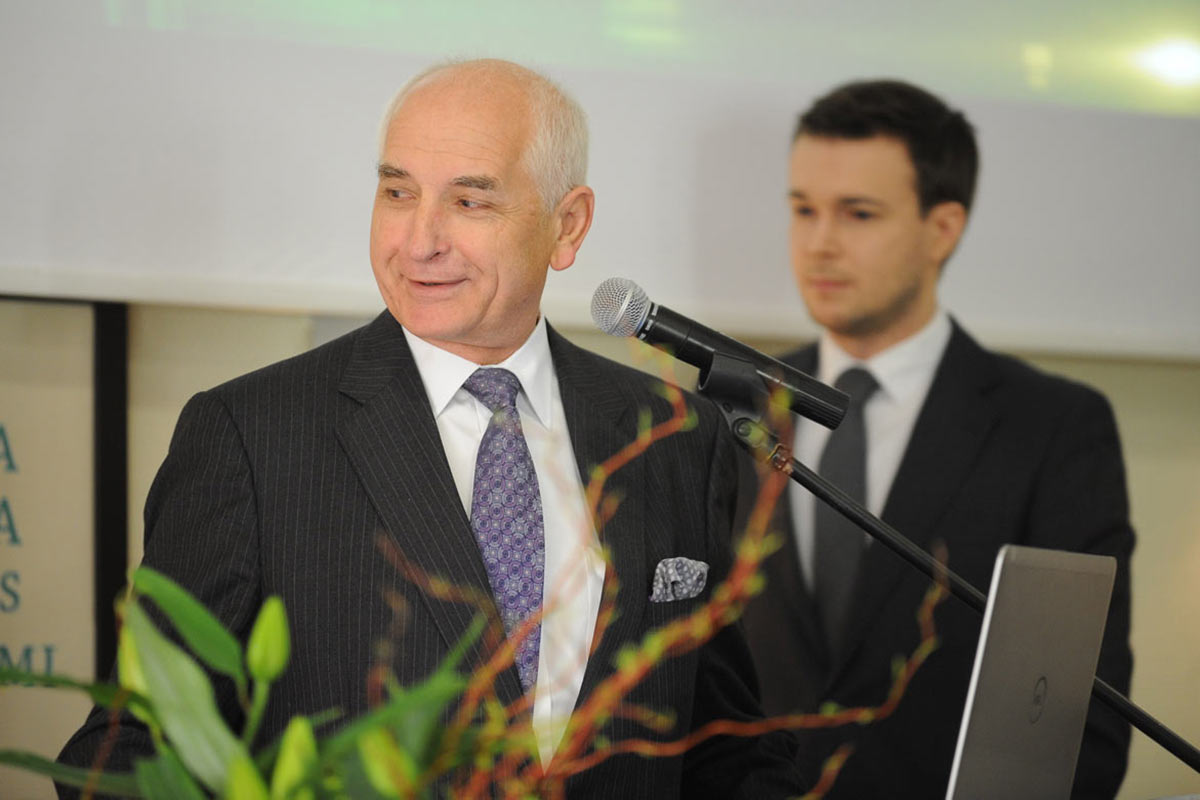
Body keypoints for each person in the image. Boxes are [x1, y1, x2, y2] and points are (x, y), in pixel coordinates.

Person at [58, 59, 801, 798]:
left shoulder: (673, 434)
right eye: (397, 192)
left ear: (566, 225)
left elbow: (721, 748)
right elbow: (130, 751)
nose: (418, 242)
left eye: (469, 202)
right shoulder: (251, 436)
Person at [737, 79, 1134, 798]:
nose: (819, 244)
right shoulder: (730, 405)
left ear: (942, 228)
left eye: (858, 213)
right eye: (803, 210)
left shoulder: (1052, 428)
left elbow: (1080, 721)